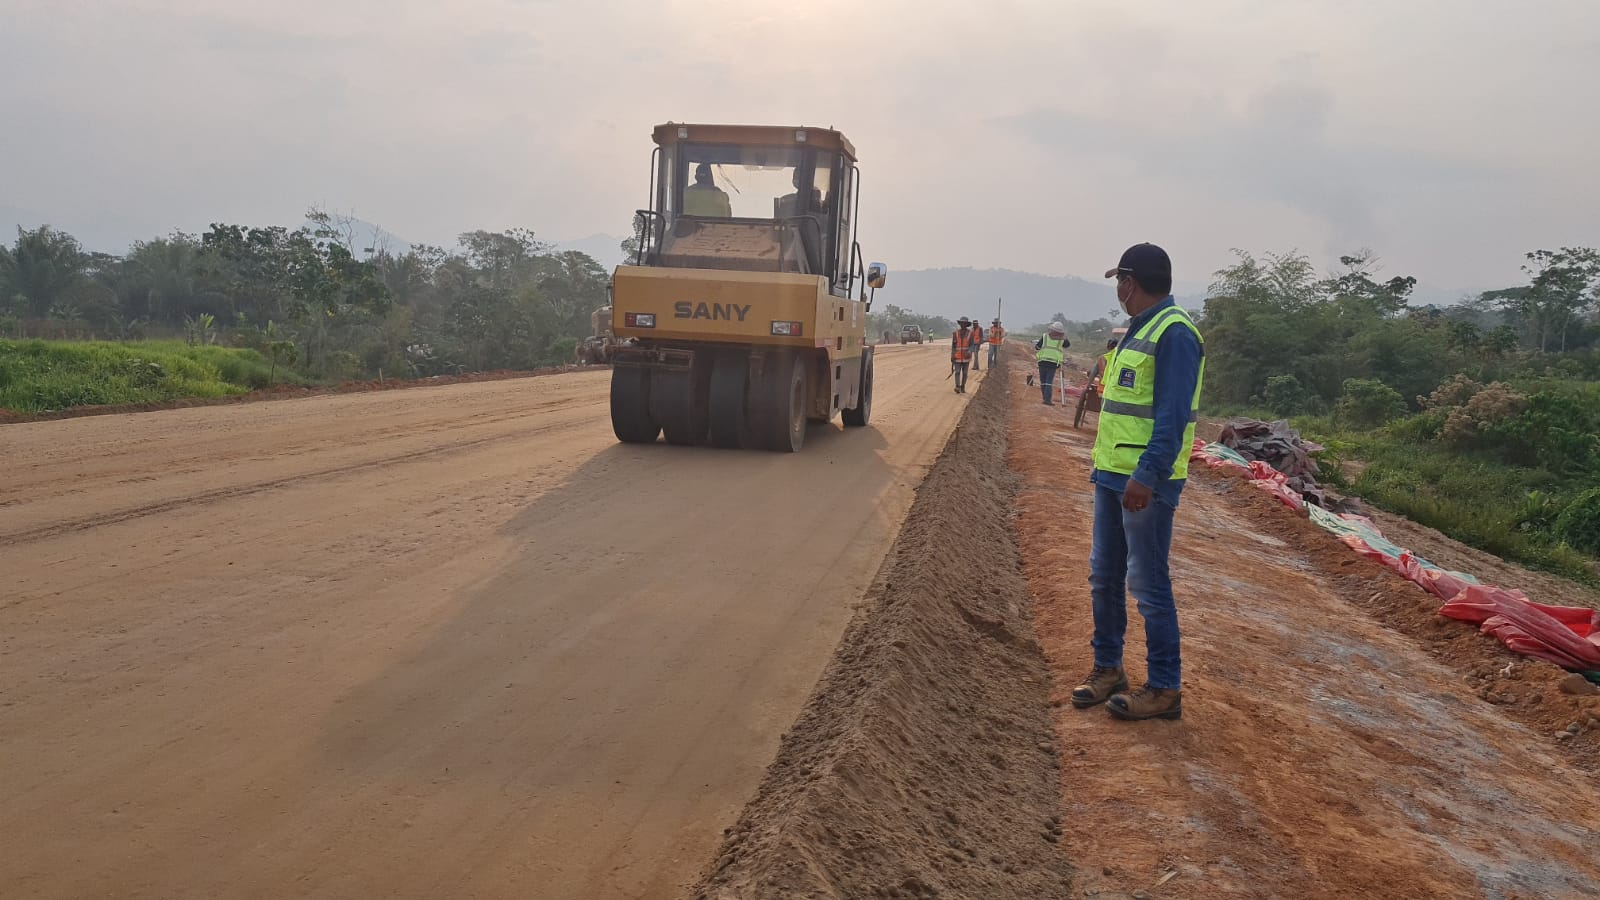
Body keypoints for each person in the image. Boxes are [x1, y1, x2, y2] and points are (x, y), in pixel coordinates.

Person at [1071, 243, 1204, 722]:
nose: (1119, 292)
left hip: (1144, 483)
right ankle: (1109, 669)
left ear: (1130, 283)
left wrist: (1146, 476)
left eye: (1119, 283)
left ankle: (1165, 687)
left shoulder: (1175, 334)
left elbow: (1171, 418)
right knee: (1104, 577)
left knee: (1148, 583)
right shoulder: (1139, 331)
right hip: (1112, 475)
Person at [1033, 323, 1069, 405]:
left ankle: (1045, 398)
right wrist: (1064, 337)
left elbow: (1037, 347)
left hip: (1042, 361)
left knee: (1043, 380)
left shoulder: (1045, 336)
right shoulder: (1062, 339)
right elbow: (1067, 345)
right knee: (1049, 381)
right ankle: (1047, 400)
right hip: (1053, 363)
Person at [950, 317, 976, 393]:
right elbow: (953, 346)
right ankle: (957, 386)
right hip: (957, 356)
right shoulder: (955, 333)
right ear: (960, 324)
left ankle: (963, 386)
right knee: (957, 372)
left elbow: (972, 345)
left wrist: (970, 351)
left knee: (965, 373)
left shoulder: (970, 333)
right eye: (961, 323)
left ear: (966, 324)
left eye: (964, 323)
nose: (963, 324)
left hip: (966, 357)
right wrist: (952, 355)